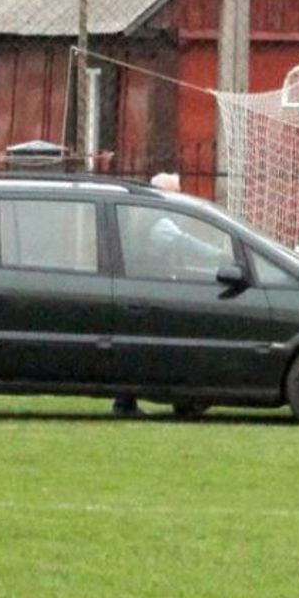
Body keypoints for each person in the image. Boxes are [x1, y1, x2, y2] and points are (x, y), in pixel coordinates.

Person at [112, 172, 183, 417]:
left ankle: (125, 401)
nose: (179, 197)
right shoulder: (161, 221)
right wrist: (218, 255)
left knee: (135, 347)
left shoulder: (142, 216)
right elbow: (185, 243)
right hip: (150, 292)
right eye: (176, 192)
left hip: (140, 288)